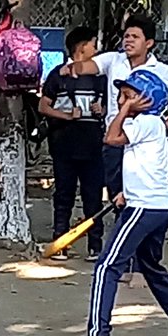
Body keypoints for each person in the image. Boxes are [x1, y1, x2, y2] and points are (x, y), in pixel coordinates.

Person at [62, 69, 168, 336]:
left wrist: (127, 110)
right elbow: (148, 167)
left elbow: (111, 138)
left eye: (129, 96)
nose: (121, 100)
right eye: (122, 95)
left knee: (107, 266)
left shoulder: (144, 122)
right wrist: (126, 191)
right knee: (151, 266)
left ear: (146, 101)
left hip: (144, 209)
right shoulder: (152, 126)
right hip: (159, 206)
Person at [68, 13, 168, 278]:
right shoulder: (113, 60)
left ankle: (140, 265)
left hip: (145, 144)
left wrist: (166, 124)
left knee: (143, 199)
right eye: (126, 35)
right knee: (120, 198)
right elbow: (84, 67)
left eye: (135, 37)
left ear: (149, 43)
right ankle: (123, 259)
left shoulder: (161, 71)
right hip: (117, 140)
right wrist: (75, 61)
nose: (128, 40)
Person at [40, 26, 108, 261]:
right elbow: (44, 106)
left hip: (93, 145)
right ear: (81, 48)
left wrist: (102, 110)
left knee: (93, 196)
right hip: (64, 145)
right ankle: (60, 241)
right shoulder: (58, 75)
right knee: (64, 194)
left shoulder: (101, 77)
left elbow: (110, 107)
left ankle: (95, 245)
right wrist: (68, 116)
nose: (96, 49)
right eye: (92, 43)